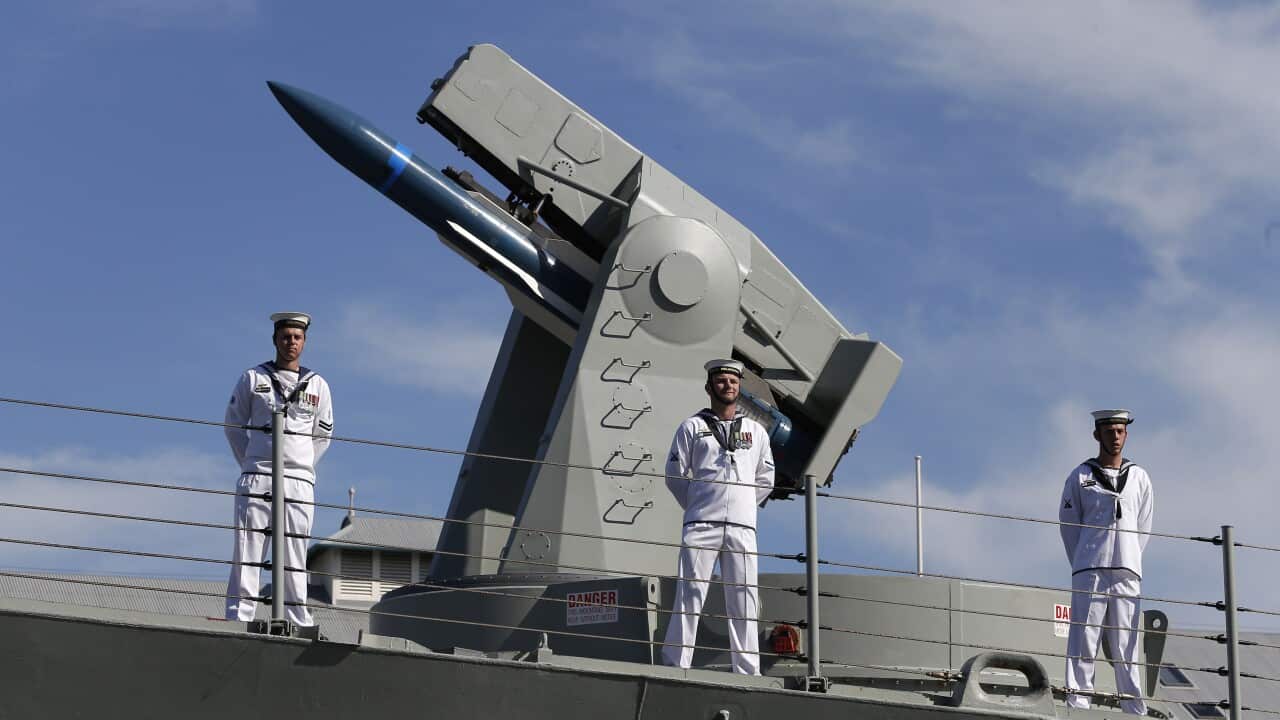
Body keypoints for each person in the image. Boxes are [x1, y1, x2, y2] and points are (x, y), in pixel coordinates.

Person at [661, 359, 775, 675]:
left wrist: (743, 506)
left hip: (742, 528)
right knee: (690, 593)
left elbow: (766, 478)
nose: (728, 386)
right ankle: (675, 664)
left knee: (743, 598)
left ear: (739, 387)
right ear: (710, 387)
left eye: (733, 381)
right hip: (701, 525)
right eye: (722, 381)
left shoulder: (756, 431)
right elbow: (674, 474)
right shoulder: (692, 428)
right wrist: (698, 504)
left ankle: (747, 669)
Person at [224, 312, 334, 627]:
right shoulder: (252, 379)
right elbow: (233, 427)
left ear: (305, 342)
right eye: (286, 337)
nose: (291, 343)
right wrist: (252, 462)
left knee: (295, 550)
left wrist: (299, 464)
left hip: (299, 480)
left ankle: (296, 617)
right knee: (249, 546)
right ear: (275, 340)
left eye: (297, 337)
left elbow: (322, 435)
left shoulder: (318, 385)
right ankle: (239, 615)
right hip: (257, 477)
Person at [1059, 409, 1154, 714]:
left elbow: (1144, 524)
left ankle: (1133, 707)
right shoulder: (1081, 476)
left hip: (1127, 570)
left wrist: (1130, 557)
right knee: (1084, 638)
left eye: (1120, 431)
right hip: (1090, 568)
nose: (1115, 437)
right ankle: (1078, 703)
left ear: (1126, 434)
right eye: (1109, 431)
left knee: (1126, 642)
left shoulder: (1139, 476)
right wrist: (1086, 558)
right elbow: (1069, 523)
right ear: (1096, 435)